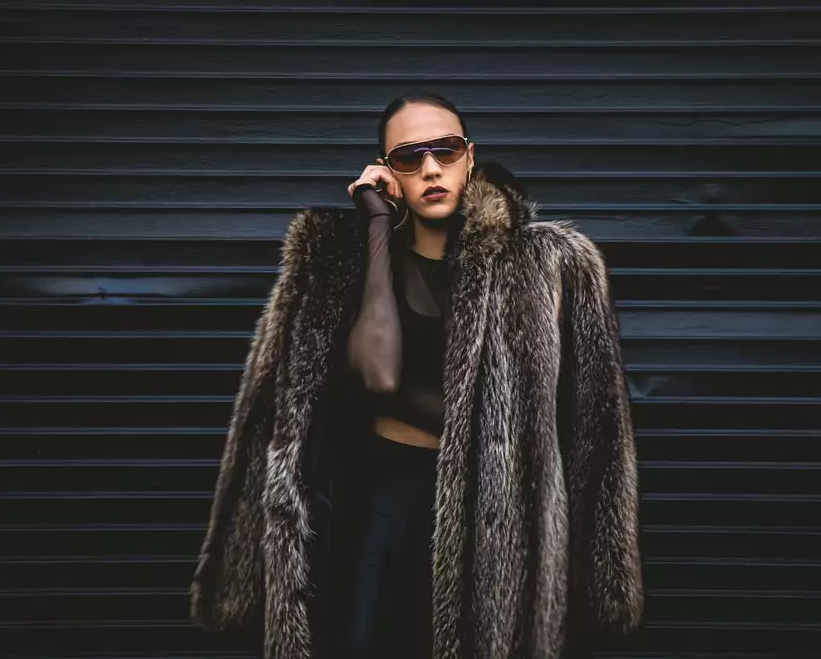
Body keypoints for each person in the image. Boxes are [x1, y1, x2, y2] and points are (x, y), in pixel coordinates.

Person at [189, 91, 644, 659]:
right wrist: (378, 226)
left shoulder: (551, 263)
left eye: (444, 150)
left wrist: (605, 577)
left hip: (495, 509)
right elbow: (371, 376)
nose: (430, 168)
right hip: (379, 495)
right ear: (388, 172)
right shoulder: (335, 262)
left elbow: (598, 426)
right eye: (408, 157)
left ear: (469, 157)